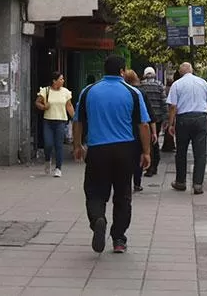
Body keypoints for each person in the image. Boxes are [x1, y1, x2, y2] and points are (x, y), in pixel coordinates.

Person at [73, 55, 151, 254]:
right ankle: (118, 239)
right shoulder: (133, 92)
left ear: (104, 70)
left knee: (94, 191)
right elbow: (143, 125)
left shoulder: (88, 91)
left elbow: (78, 121)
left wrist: (77, 145)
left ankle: (98, 218)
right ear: (122, 71)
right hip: (125, 150)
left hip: (97, 150)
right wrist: (146, 152)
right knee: (123, 194)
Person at [166, 62, 207, 194]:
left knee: (181, 152)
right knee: (200, 153)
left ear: (181, 72)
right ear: (192, 70)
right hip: (200, 118)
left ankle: (181, 182)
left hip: (183, 120)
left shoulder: (177, 84)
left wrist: (171, 124)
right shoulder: (203, 82)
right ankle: (198, 184)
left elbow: (173, 107)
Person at [35, 72, 74, 177]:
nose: (63, 81)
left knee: (59, 145)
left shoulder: (65, 92)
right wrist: (43, 107)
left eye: (63, 79)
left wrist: (75, 118)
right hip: (48, 121)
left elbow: (69, 106)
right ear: (54, 81)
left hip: (61, 121)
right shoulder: (46, 91)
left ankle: (58, 168)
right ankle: (47, 160)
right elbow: (37, 102)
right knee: (48, 144)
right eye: (61, 79)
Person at [138, 67, 168, 178]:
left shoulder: (141, 86)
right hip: (157, 118)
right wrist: (166, 119)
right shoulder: (160, 85)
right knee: (154, 141)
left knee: (146, 142)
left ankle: (150, 167)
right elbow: (164, 103)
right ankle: (154, 164)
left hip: (144, 118)